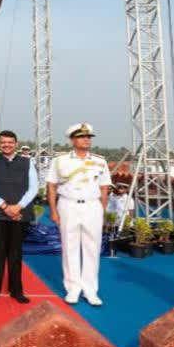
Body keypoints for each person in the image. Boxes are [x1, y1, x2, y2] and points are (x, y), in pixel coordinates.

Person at [47, 123, 111, 306]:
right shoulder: (59, 161)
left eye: (88, 137)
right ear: (72, 140)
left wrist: (102, 209)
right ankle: (73, 288)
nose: (86, 140)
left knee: (92, 248)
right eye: (82, 137)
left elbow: (104, 187)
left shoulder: (100, 161)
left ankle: (90, 290)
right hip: (68, 205)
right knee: (70, 247)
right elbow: (52, 186)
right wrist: (53, 210)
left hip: (92, 206)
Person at [0, 131, 37, 304]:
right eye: (3, 142)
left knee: (15, 253)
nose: (7, 145)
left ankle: (16, 291)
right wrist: (4, 206)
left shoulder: (28, 162)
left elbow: (34, 187)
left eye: (10, 142)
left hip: (20, 213)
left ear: (16, 144)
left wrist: (18, 206)